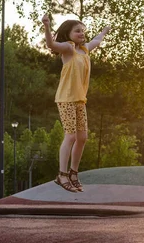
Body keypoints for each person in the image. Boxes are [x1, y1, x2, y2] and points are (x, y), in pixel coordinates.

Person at [42, 14, 111, 192]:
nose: (82, 33)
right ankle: (62, 174)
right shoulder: (69, 48)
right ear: (69, 33)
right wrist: (47, 26)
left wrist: (104, 31)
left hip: (80, 100)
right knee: (71, 136)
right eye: (77, 31)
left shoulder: (85, 49)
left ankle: (73, 172)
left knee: (82, 138)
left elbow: (97, 40)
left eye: (83, 31)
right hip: (66, 99)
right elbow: (51, 45)